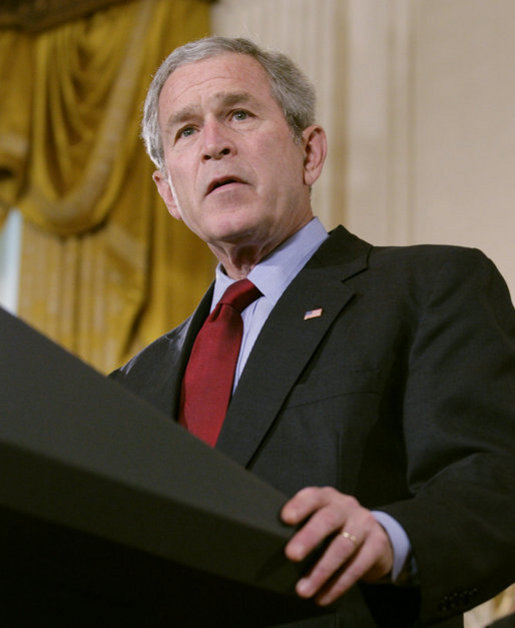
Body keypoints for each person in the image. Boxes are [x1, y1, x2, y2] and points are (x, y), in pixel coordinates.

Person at [110, 36, 515, 626]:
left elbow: (496, 480)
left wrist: (390, 536)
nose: (214, 145)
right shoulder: (129, 385)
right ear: (169, 193)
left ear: (310, 152)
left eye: (239, 114)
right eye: (185, 131)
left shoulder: (430, 286)